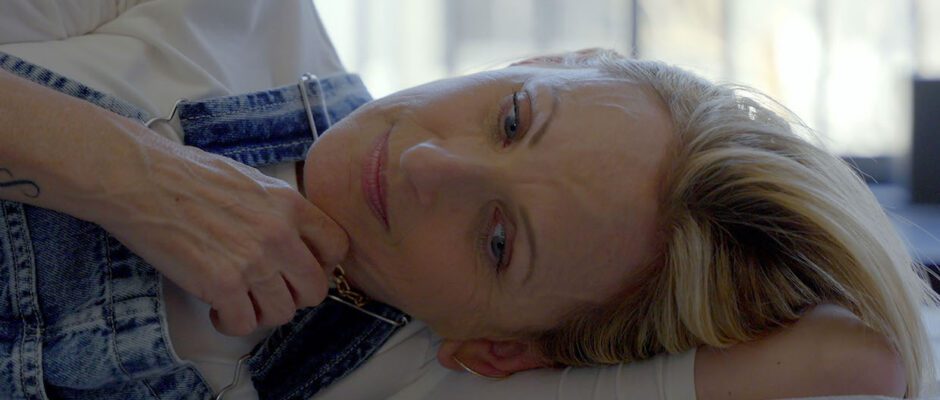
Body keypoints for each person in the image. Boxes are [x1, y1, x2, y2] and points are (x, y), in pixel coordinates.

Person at [0, 1, 934, 399]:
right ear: (550, 59)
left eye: (497, 242)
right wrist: (131, 176)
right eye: (515, 117)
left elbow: (861, 358)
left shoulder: (407, 380)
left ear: (501, 354)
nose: (429, 166)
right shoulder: (223, 19)